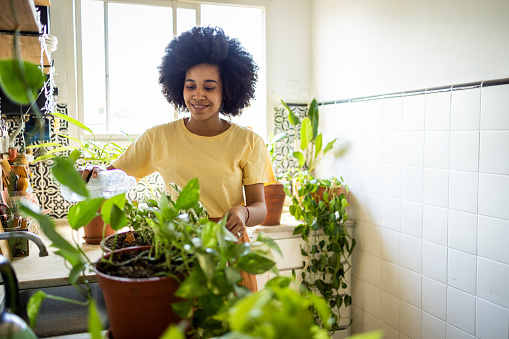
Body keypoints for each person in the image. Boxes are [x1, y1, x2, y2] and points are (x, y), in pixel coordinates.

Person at [82, 26, 275, 292]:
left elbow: (260, 208)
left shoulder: (248, 141)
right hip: (176, 252)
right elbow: (111, 178)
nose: (198, 95)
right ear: (178, 87)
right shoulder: (157, 137)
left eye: (209, 87)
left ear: (227, 91)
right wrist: (92, 176)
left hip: (228, 251)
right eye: (190, 86)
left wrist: (243, 212)